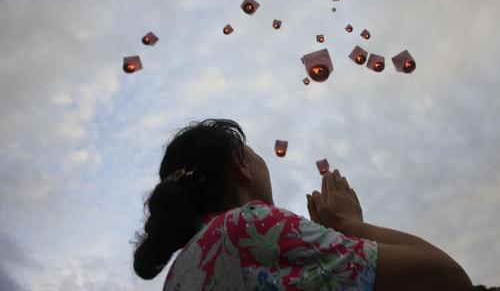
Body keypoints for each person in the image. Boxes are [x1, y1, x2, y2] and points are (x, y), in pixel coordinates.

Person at [132, 119, 472, 291]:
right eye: (254, 155)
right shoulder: (251, 226)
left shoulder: (178, 276)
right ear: (240, 165)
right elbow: (447, 276)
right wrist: (349, 224)